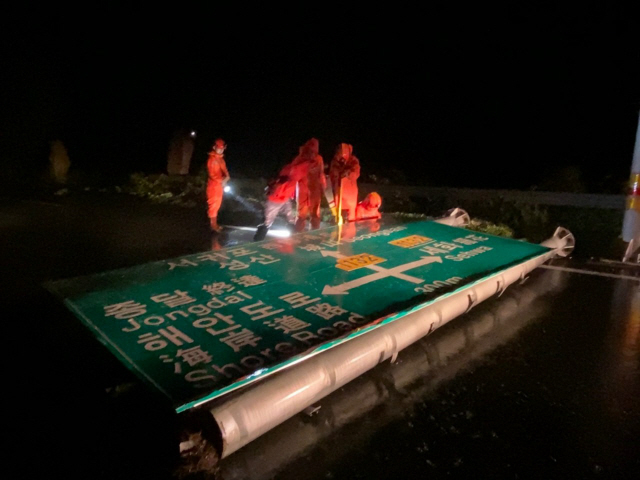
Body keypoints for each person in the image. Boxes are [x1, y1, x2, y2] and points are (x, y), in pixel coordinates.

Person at [254, 156, 311, 241]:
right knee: (268, 221)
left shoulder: (293, 168)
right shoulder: (294, 169)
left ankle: (292, 237)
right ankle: (257, 240)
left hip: (284, 198)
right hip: (276, 199)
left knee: (289, 218)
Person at [295, 138, 326, 231]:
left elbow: (321, 173)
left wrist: (323, 186)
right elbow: (294, 172)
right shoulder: (300, 158)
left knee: (315, 214)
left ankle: (314, 234)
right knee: (301, 214)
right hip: (302, 189)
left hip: (314, 190)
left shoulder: (319, 159)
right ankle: (298, 235)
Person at [329, 143, 360, 222]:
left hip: (350, 195)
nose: (343, 156)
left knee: (350, 217)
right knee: (339, 216)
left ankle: (350, 232)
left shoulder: (353, 161)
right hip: (338, 193)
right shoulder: (335, 161)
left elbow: (355, 173)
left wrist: (347, 172)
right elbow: (332, 174)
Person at [206, 138, 230, 232]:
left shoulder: (220, 159)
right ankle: (213, 225)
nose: (220, 150)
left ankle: (214, 224)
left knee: (217, 205)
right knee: (213, 205)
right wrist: (222, 180)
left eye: (222, 148)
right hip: (213, 186)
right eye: (219, 148)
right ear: (214, 147)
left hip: (219, 185)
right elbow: (212, 174)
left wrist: (227, 177)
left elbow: (225, 170)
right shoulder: (212, 160)